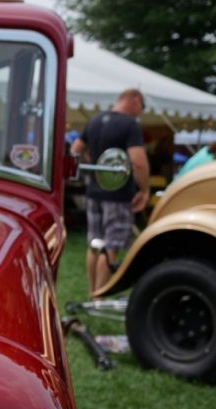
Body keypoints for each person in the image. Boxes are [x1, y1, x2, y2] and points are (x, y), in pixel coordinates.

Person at [70, 88, 150, 297]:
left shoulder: (95, 120)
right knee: (111, 245)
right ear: (134, 100)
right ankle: (100, 296)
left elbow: (75, 150)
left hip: (94, 192)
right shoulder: (130, 125)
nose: (140, 112)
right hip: (118, 193)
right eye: (142, 107)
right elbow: (138, 162)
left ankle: (91, 292)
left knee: (95, 243)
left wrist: (93, 167)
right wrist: (144, 189)